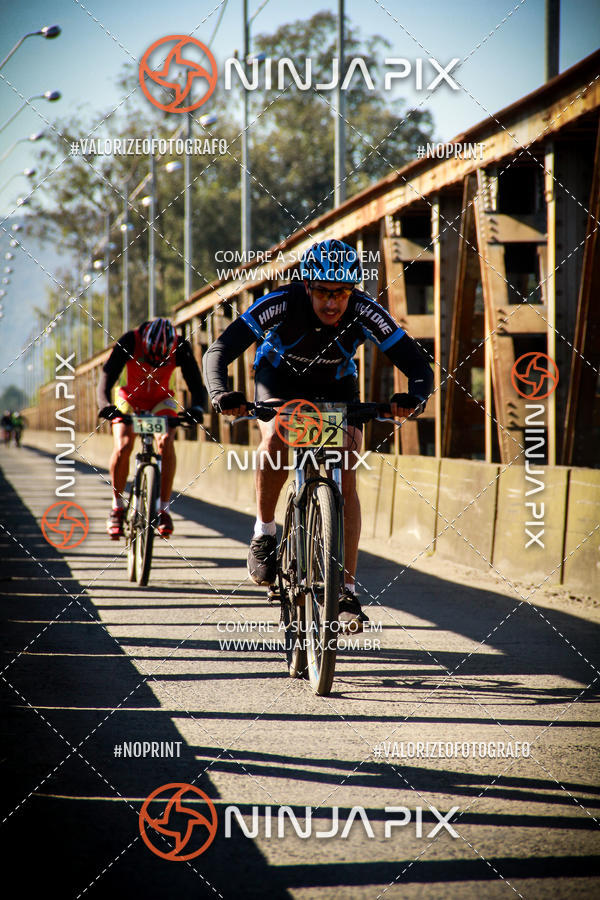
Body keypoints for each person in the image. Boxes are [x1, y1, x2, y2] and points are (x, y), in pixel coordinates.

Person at [203, 239, 433, 631]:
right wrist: (221, 394)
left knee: (346, 469)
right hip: (279, 379)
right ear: (307, 286)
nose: (332, 303)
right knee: (276, 437)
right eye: (324, 292)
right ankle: (264, 533)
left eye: (341, 293)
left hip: (336, 385)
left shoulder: (364, 309)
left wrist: (413, 398)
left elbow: (417, 364)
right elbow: (218, 351)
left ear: (352, 291)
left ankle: (345, 590)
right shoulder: (281, 302)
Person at [97, 317, 204, 539]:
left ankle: (164, 509)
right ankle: (117, 507)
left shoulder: (180, 346)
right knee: (124, 445)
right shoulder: (130, 341)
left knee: (165, 441)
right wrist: (105, 405)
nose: (155, 365)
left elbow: (195, 382)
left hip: (161, 400)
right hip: (129, 398)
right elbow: (107, 376)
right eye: (150, 360)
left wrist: (197, 408)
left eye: (161, 362)